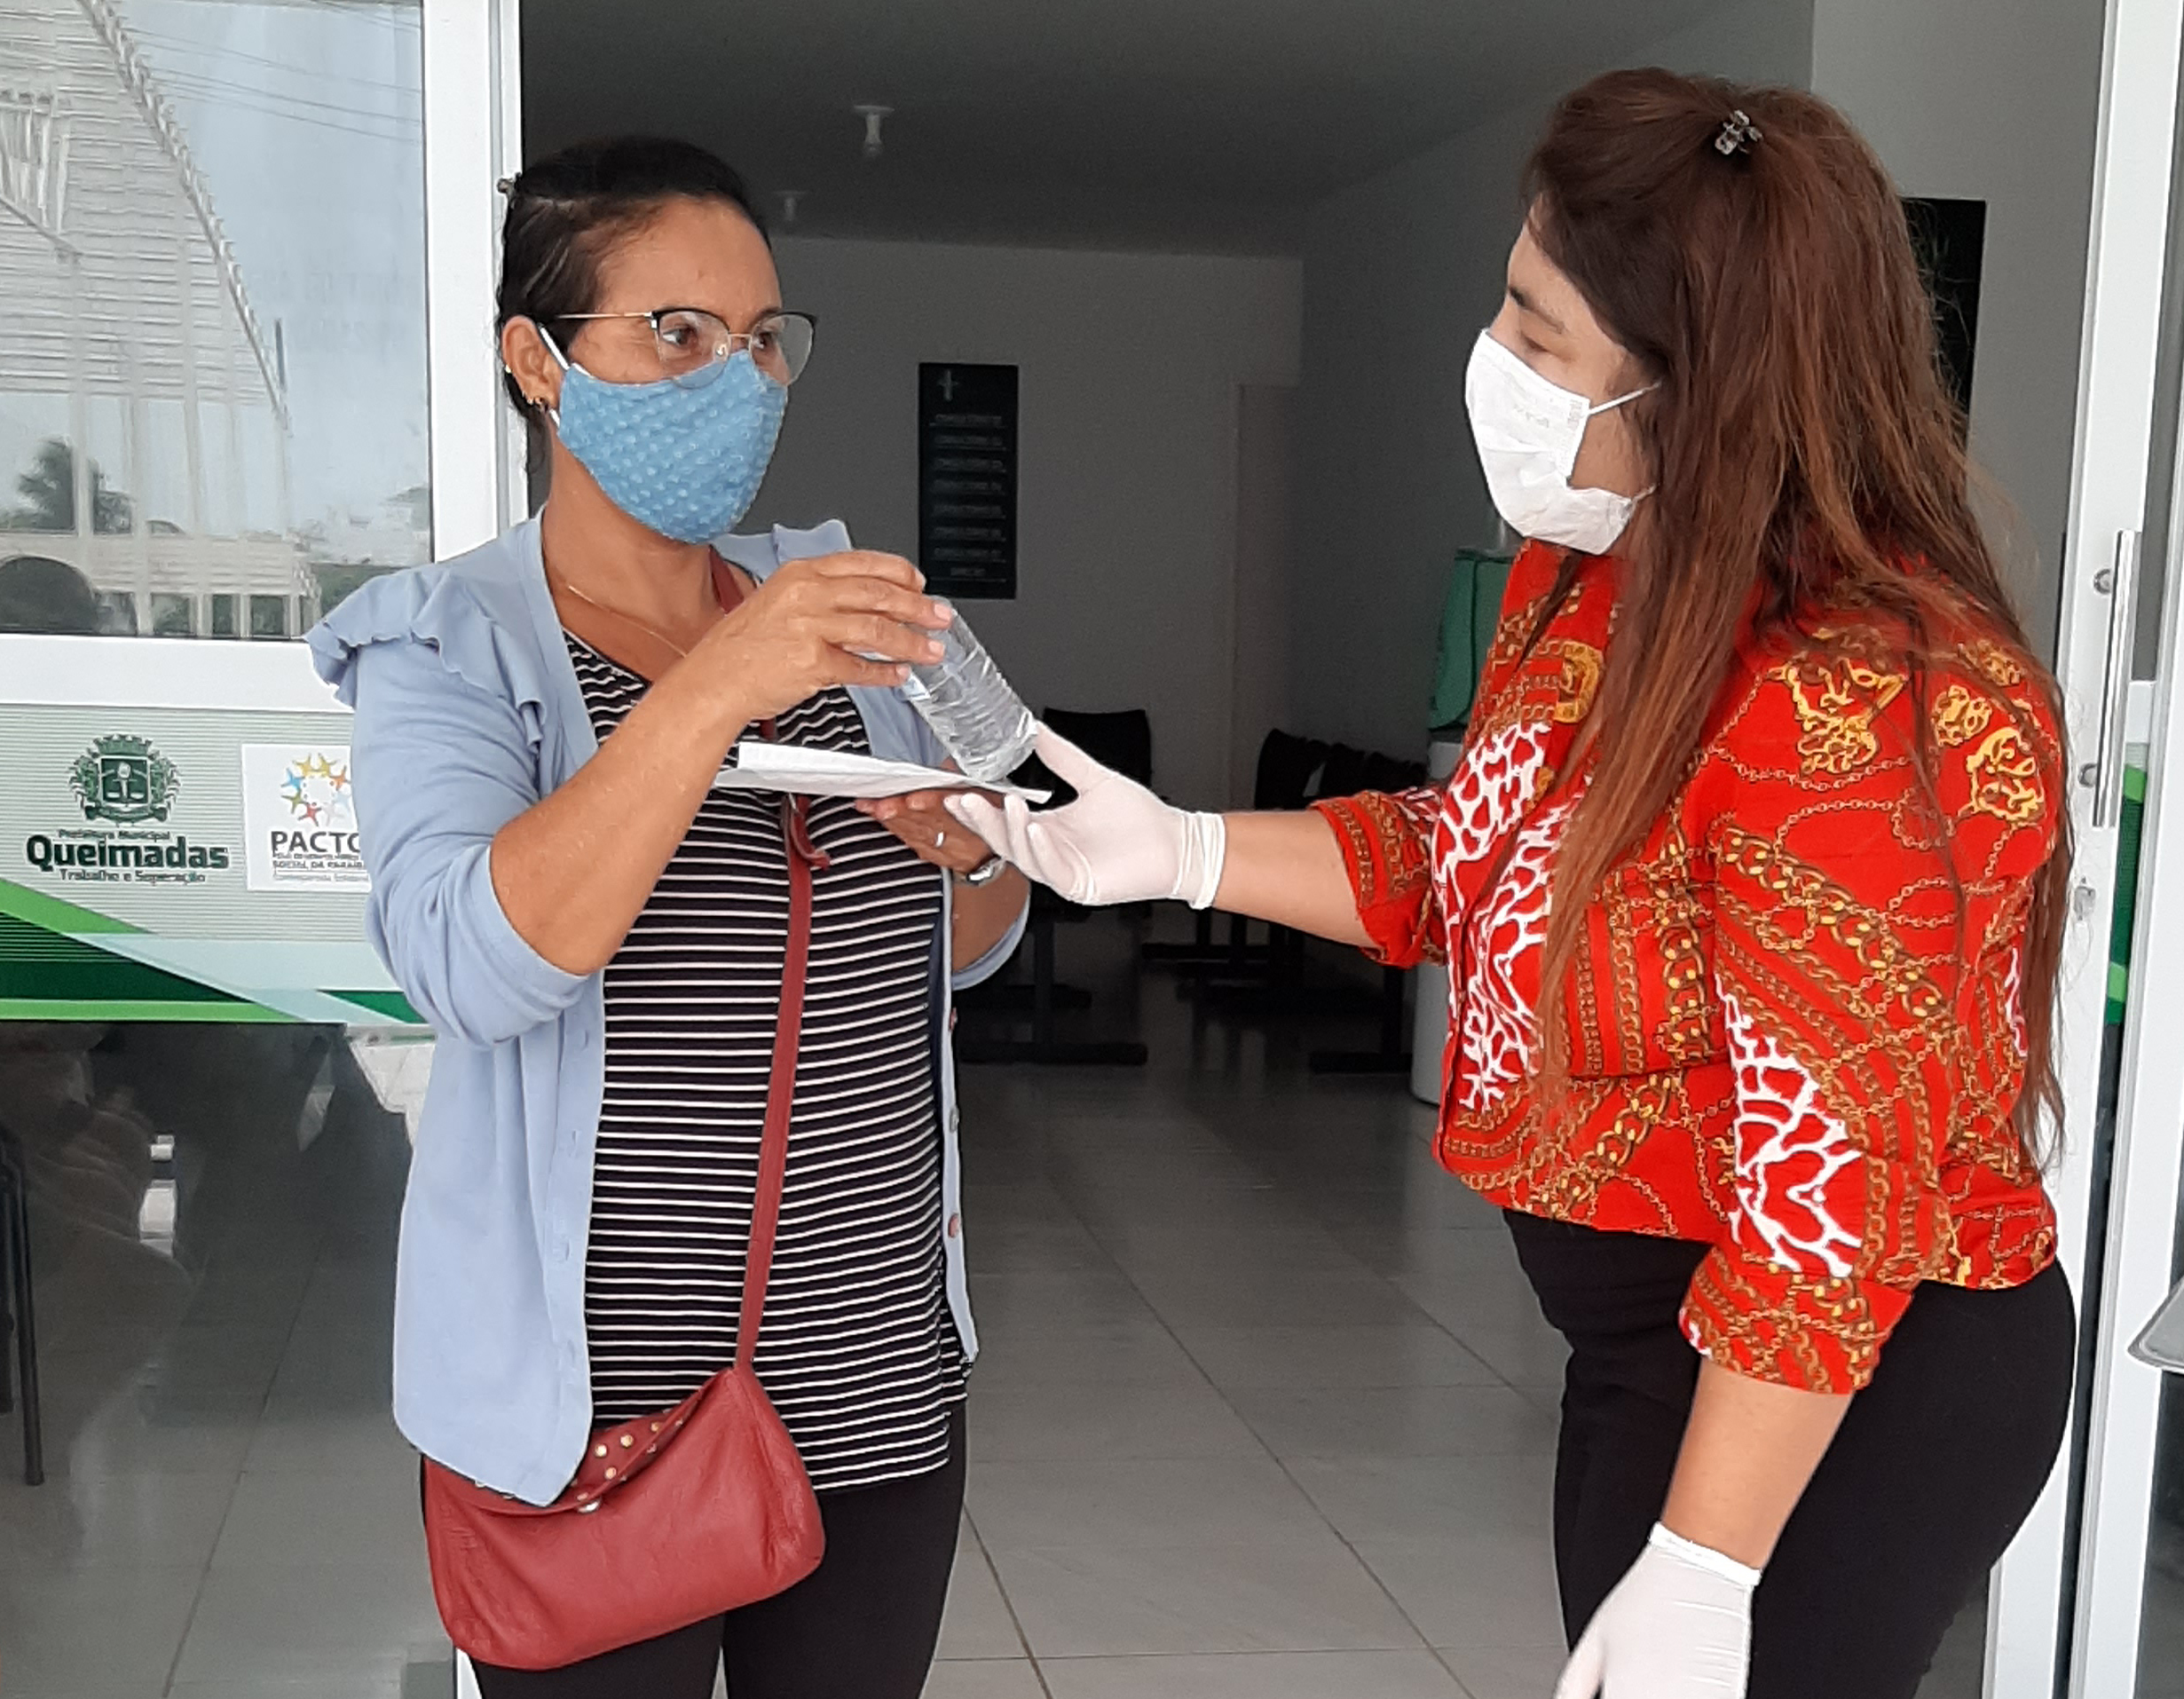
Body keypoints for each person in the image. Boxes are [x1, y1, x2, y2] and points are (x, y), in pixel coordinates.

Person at [944, 72, 2076, 1699]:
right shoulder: (1602, 575)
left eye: (1536, 329)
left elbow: (1831, 1187)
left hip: (1847, 1370)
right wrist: (1180, 848)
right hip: (1656, 1343)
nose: (1492, 354)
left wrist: (1706, 1564)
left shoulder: (1868, 695)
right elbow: (1476, 857)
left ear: (1702, 375)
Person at [306, 137, 1027, 1699]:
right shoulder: (446, 644)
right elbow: (471, 966)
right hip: (590, 1424)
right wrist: (712, 686)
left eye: (763, 339)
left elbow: (974, 930)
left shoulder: (846, 609)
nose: (740, 380)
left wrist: (976, 862)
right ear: (538, 362)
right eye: (679, 332)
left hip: (872, 1386)